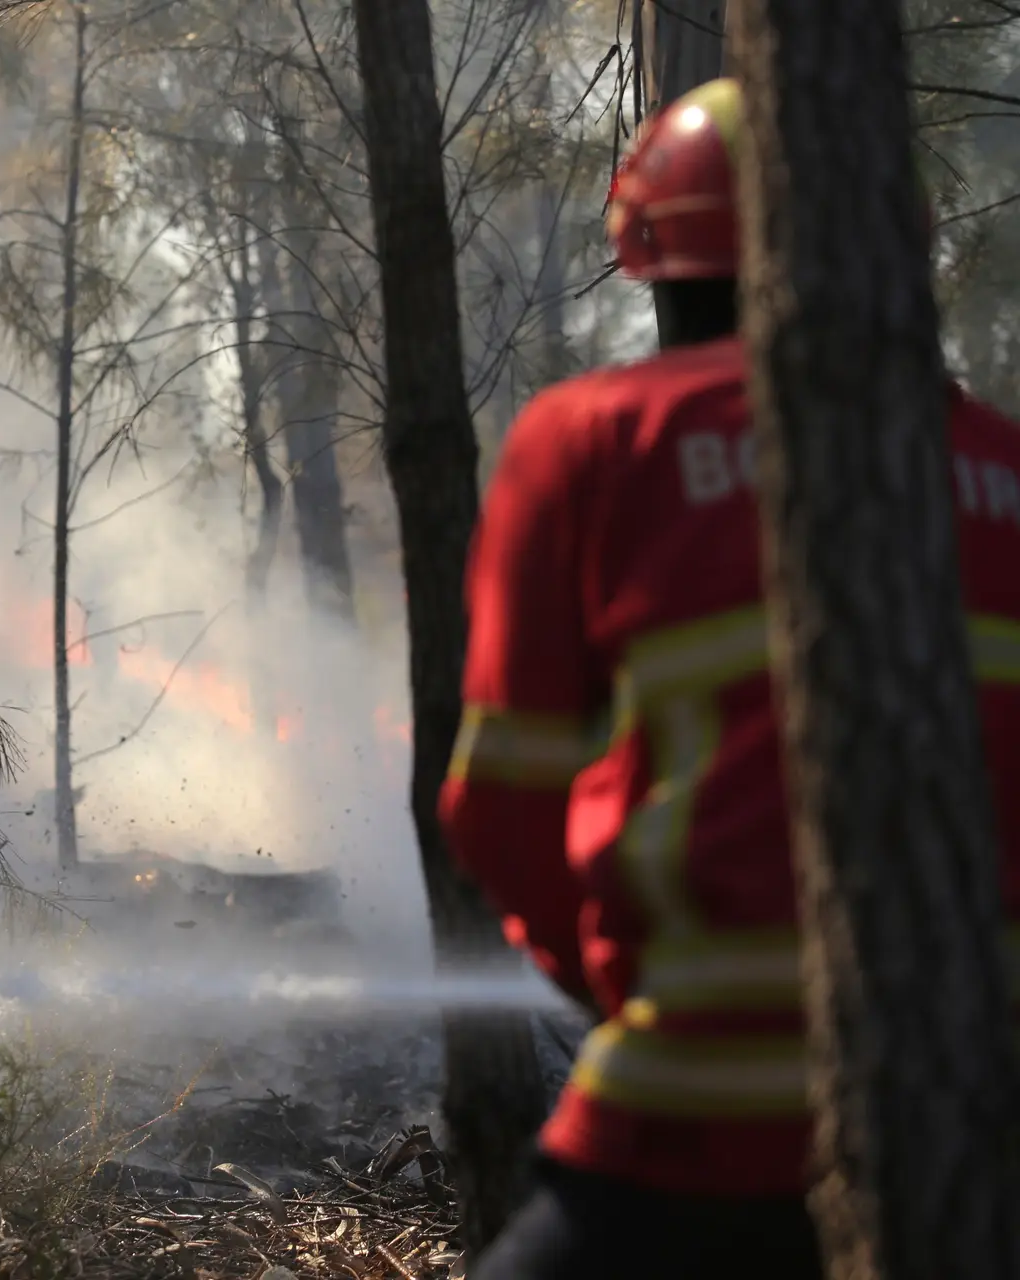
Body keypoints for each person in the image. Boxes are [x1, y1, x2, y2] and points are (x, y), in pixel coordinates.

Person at [442, 77, 1020, 1280]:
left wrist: (641, 986)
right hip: (979, 1127)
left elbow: (498, 803)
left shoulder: (594, 444)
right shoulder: (1005, 473)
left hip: (692, 1128)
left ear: (664, 266)